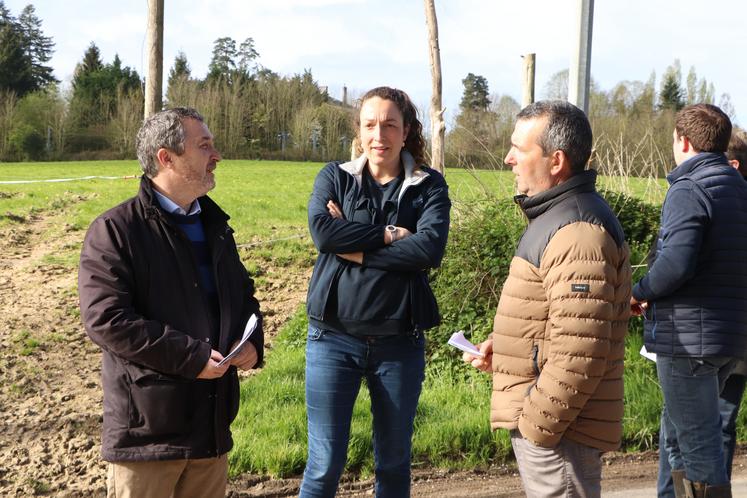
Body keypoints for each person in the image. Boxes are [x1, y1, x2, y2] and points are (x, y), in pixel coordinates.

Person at [78, 107, 263, 498]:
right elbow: (107, 320)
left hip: (210, 431)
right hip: (147, 438)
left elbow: (243, 297)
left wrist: (252, 344)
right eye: (205, 145)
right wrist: (191, 357)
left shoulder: (216, 227)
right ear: (167, 157)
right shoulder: (115, 231)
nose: (217, 155)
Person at [463, 100, 631, 498]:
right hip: (558, 428)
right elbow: (557, 324)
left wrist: (537, 425)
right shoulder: (560, 217)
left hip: (561, 434)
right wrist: (506, 349)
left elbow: (582, 351)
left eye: (519, 149)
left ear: (555, 161)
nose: (508, 159)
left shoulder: (576, 231)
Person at [301, 86, 451, 497]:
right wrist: (389, 236)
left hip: (399, 344)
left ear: (406, 132)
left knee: (394, 462)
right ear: (359, 130)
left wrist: (359, 252)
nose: (378, 135)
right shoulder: (335, 176)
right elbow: (324, 233)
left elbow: (428, 249)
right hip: (332, 338)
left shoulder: (429, 185)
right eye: (370, 125)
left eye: (389, 125)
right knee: (324, 464)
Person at [631, 105, 747, 498]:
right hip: (727, 338)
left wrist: (640, 290)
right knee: (679, 439)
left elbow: (676, 263)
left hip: (688, 340)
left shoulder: (689, 188)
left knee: (698, 447)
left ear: (683, 141)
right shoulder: (738, 188)